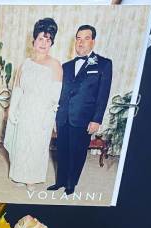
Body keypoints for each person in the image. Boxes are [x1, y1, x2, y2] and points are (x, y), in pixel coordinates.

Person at [48, 25, 113, 195]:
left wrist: (97, 120)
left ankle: (71, 185)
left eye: (86, 38)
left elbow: (103, 95)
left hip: (84, 118)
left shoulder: (104, 64)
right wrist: (54, 116)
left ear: (93, 42)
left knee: (77, 152)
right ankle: (60, 181)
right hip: (63, 117)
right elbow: (59, 93)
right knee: (62, 151)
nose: (81, 42)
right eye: (78, 38)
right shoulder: (66, 66)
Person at [3, 18, 62, 190]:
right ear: (34, 41)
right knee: (21, 144)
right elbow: (18, 89)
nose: (44, 43)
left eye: (48, 40)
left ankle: (32, 179)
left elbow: (56, 95)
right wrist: (12, 110)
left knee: (36, 146)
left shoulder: (55, 65)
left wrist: (50, 117)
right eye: (41, 38)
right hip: (24, 110)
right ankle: (20, 175)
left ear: (51, 43)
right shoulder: (25, 64)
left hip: (41, 112)